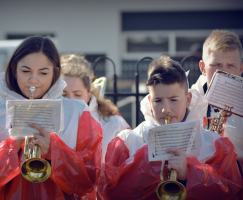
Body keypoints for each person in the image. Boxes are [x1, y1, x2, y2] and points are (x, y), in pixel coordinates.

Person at [0, 36, 103, 200]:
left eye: (43, 73)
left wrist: (54, 151)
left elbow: (90, 178)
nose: (33, 80)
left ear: (55, 73)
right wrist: (12, 145)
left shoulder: (77, 112)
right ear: (14, 69)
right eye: (26, 71)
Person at [101, 56, 242, 199]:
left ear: (188, 100)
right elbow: (110, 192)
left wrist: (189, 173)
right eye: (158, 100)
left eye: (173, 100)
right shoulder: (129, 141)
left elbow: (232, 191)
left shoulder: (213, 143)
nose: (165, 109)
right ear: (149, 101)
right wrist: (145, 160)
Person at [61, 54, 130, 199]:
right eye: (64, 94)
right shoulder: (52, 119)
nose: (71, 100)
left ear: (89, 92)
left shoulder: (113, 121)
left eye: (77, 94)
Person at [191, 30, 243, 169]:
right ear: (202, 67)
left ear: (241, 69)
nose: (224, 72)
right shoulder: (187, 101)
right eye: (216, 65)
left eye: (231, 65)